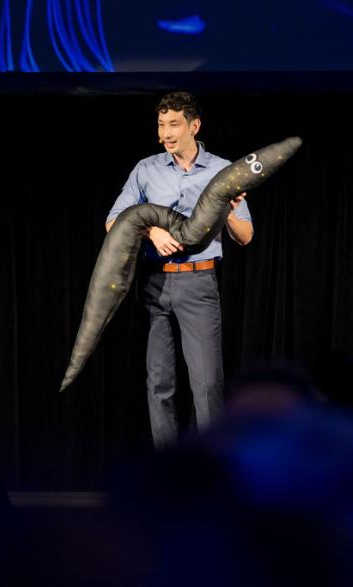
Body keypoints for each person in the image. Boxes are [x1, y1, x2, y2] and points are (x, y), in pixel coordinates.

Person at [106, 91, 254, 448]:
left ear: (194, 126)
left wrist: (229, 210)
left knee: (205, 385)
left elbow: (246, 236)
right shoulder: (147, 169)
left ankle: (211, 474)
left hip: (198, 283)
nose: (165, 133)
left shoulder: (222, 170)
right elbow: (114, 221)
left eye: (174, 124)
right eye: (161, 125)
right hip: (155, 284)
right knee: (159, 383)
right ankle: (169, 477)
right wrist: (151, 230)